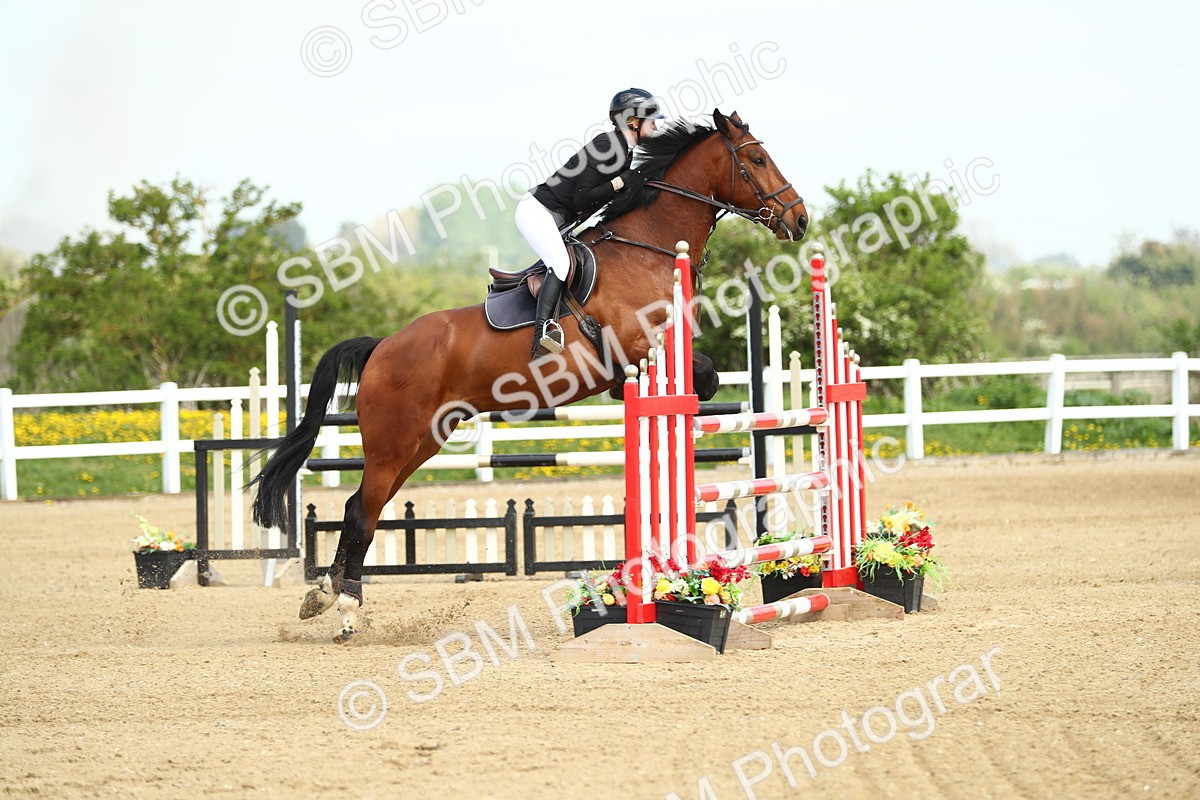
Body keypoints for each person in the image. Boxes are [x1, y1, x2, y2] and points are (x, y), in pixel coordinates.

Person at [515, 88, 663, 358]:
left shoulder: (625, 151)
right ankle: (542, 334)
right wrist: (621, 182)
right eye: (651, 119)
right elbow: (582, 197)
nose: (656, 124)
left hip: (558, 217)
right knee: (560, 264)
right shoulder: (609, 145)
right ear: (633, 122)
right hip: (538, 212)